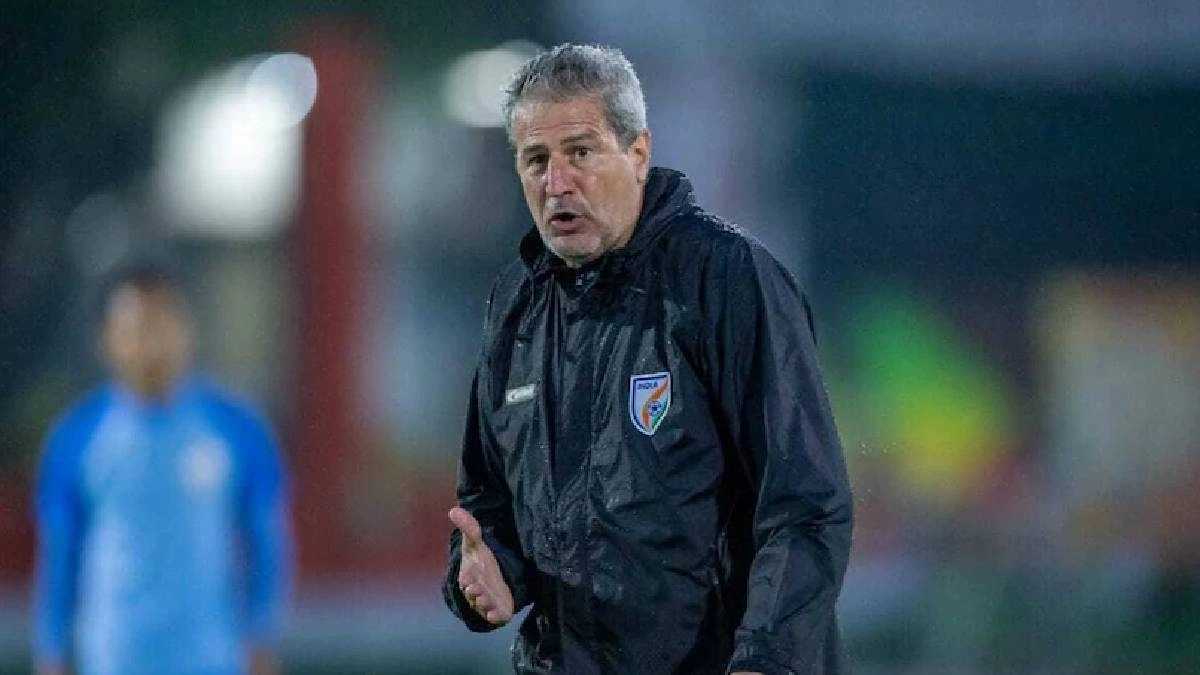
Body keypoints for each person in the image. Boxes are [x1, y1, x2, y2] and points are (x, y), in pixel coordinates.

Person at [442, 44, 853, 674]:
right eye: (536, 160)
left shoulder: (727, 280)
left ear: (638, 154)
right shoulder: (516, 305)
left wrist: (766, 660)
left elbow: (805, 507)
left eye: (581, 152)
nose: (557, 183)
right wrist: (489, 570)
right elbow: (487, 501)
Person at [32, 261, 292, 675]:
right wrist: (52, 650)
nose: (151, 346)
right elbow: (61, 551)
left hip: (210, 659)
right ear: (107, 339)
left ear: (188, 331)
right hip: (114, 659)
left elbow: (265, 540)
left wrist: (261, 635)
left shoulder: (236, 428)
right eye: (136, 330)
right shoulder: (78, 436)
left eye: (163, 326)